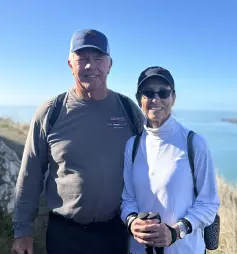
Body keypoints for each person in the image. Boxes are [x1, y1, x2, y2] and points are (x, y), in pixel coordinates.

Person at [11, 29, 145, 254]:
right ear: (70, 63)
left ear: (109, 64)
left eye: (98, 59)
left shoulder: (128, 110)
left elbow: (149, 167)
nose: (91, 66)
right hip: (65, 234)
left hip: (115, 232)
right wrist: (22, 232)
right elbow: (30, 175)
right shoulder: (51, 112)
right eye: (82, 59)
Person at [120, 66, 220, 254]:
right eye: (148, 93)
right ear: (139, 99)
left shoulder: (194, 143)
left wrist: (176, 232)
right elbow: (128, 200)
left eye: (163, 93)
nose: (155, 99)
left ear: (173, 98)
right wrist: (132, 222)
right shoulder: (132, 146)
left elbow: (209, 204)